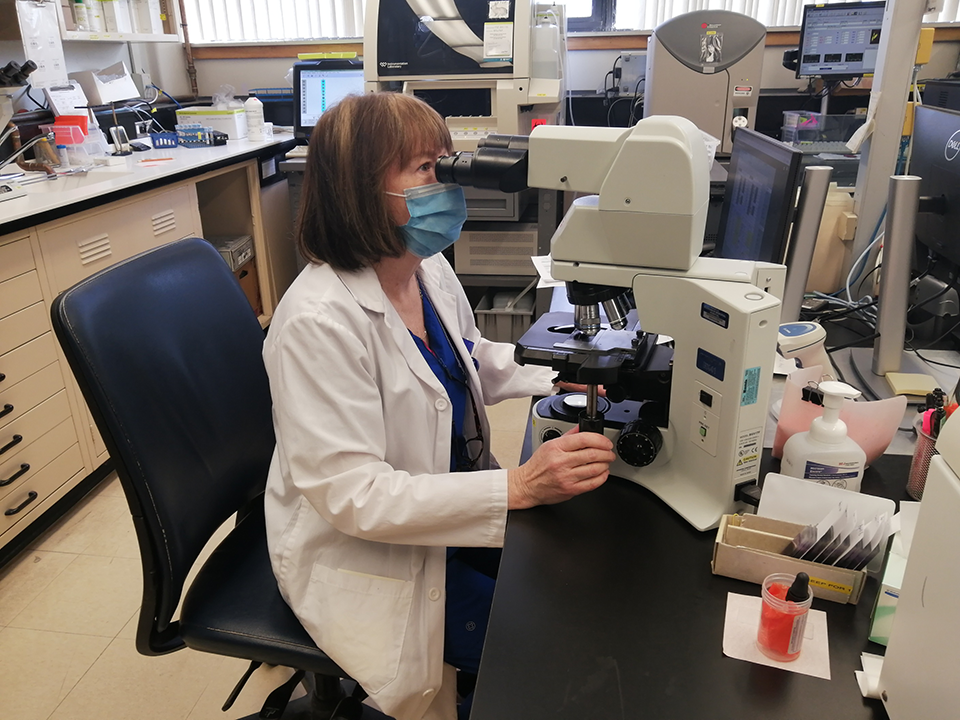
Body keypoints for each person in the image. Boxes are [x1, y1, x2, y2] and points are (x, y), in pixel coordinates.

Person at [263, 92, 615, 720]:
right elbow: (354, 496)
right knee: (547, 652)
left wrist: (557, 379)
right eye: (427, 168)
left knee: (576, 584)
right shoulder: (317, 322)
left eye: (446, 161)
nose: (448, 181)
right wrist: (519, 485)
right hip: (364, 548)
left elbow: (466, 355)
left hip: (442, 508)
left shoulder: (422, 268)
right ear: (359, 192)